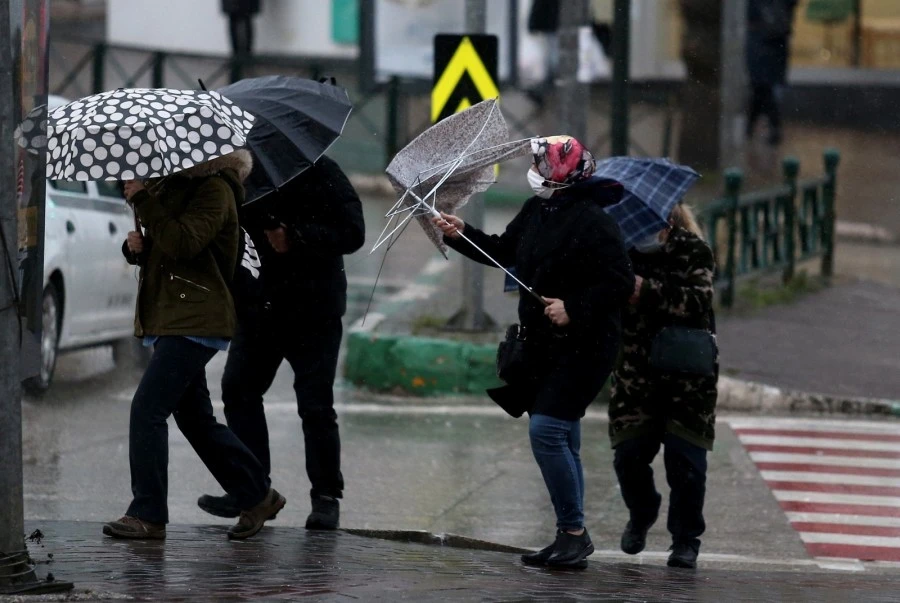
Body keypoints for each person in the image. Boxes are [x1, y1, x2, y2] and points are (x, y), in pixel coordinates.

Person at [434, 136, 634, 569]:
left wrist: (575, 307)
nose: (537, 169)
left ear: (562, 174)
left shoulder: (593, 221)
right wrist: (461, 234)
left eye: (543, 163)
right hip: (545, 346)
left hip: (587, 346)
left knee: (546, 431)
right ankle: (570, 534)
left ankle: (574, 533)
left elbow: (620, 283)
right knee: (564, 437)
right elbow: (505, 252)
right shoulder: (537, 211)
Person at [103, 150, 285, 541]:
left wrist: (142, 200)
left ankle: (148, 513)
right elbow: (171, 249)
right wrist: (137, 249)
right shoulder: (180, 187)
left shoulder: (215, 190)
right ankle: (257, 494)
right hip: (173, 315)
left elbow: (185, 243)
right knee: (195, 419)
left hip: (196, 316)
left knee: (148, 409)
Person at [197, 156, 365, 530]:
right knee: (238, 390)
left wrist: (297, 236)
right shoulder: (242, 178)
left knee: (315, 404)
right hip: (261, 307)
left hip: (314, 310)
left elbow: (353, 232)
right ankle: (254, 490)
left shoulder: (321, 172)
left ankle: (325, 495)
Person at [609, 203, 718, 569]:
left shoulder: (693, 250)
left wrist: (648, 290)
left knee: (686, 463)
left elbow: (699, 301)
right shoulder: (618, 249)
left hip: (687, 376)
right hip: (635, 375)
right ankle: (642, 511)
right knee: (629, 456)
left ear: (666, 222)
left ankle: (686, 540)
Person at [745, 0, 799, 145]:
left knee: (761, 86)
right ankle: (755, 127)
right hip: (774, 39)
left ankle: (763, 127)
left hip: (764, 39)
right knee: (762, 86)